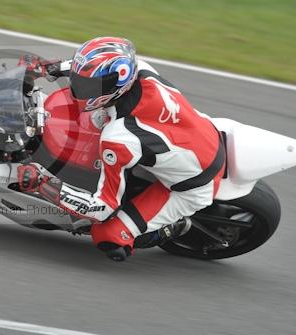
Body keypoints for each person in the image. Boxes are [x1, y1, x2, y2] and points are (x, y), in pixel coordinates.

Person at [17, 37, 226, 261]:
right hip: (201, 133)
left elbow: (103, 207)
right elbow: (92, 71)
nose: (77, 88)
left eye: (87, 86)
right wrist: (48, 68)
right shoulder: (140, 69)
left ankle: (175, 227)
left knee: (108, 236)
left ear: (112, 89)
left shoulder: (119, 136)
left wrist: (44, 185)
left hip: (192, 184)